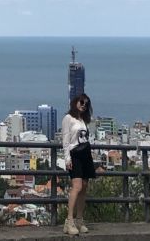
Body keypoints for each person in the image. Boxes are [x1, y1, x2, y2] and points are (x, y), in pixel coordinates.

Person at [61, 93, 95, 235]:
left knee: (84, 186)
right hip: (74, 155)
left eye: (86, 103)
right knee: (77, 186)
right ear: (75, 102)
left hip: (85, 154)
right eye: (81, 102)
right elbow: (66, 140)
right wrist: (67, 158)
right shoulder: (68, 118)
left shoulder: (83, 120)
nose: (83, 105)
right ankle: (69, 221)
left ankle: (80, 219)